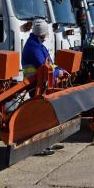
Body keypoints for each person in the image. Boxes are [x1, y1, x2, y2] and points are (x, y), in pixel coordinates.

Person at [21, 19, 65, 156]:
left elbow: (50, 63)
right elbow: (44, 67)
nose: (46, 37)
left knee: (46, 114)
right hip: (35, 85)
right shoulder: (34, 47)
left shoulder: (39, 45)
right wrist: (59, 72)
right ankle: (38, 146)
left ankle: (48, 142)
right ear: (41, 34)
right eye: (45, 34)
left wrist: (60, 69)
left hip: (42, 84)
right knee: (39, 115)